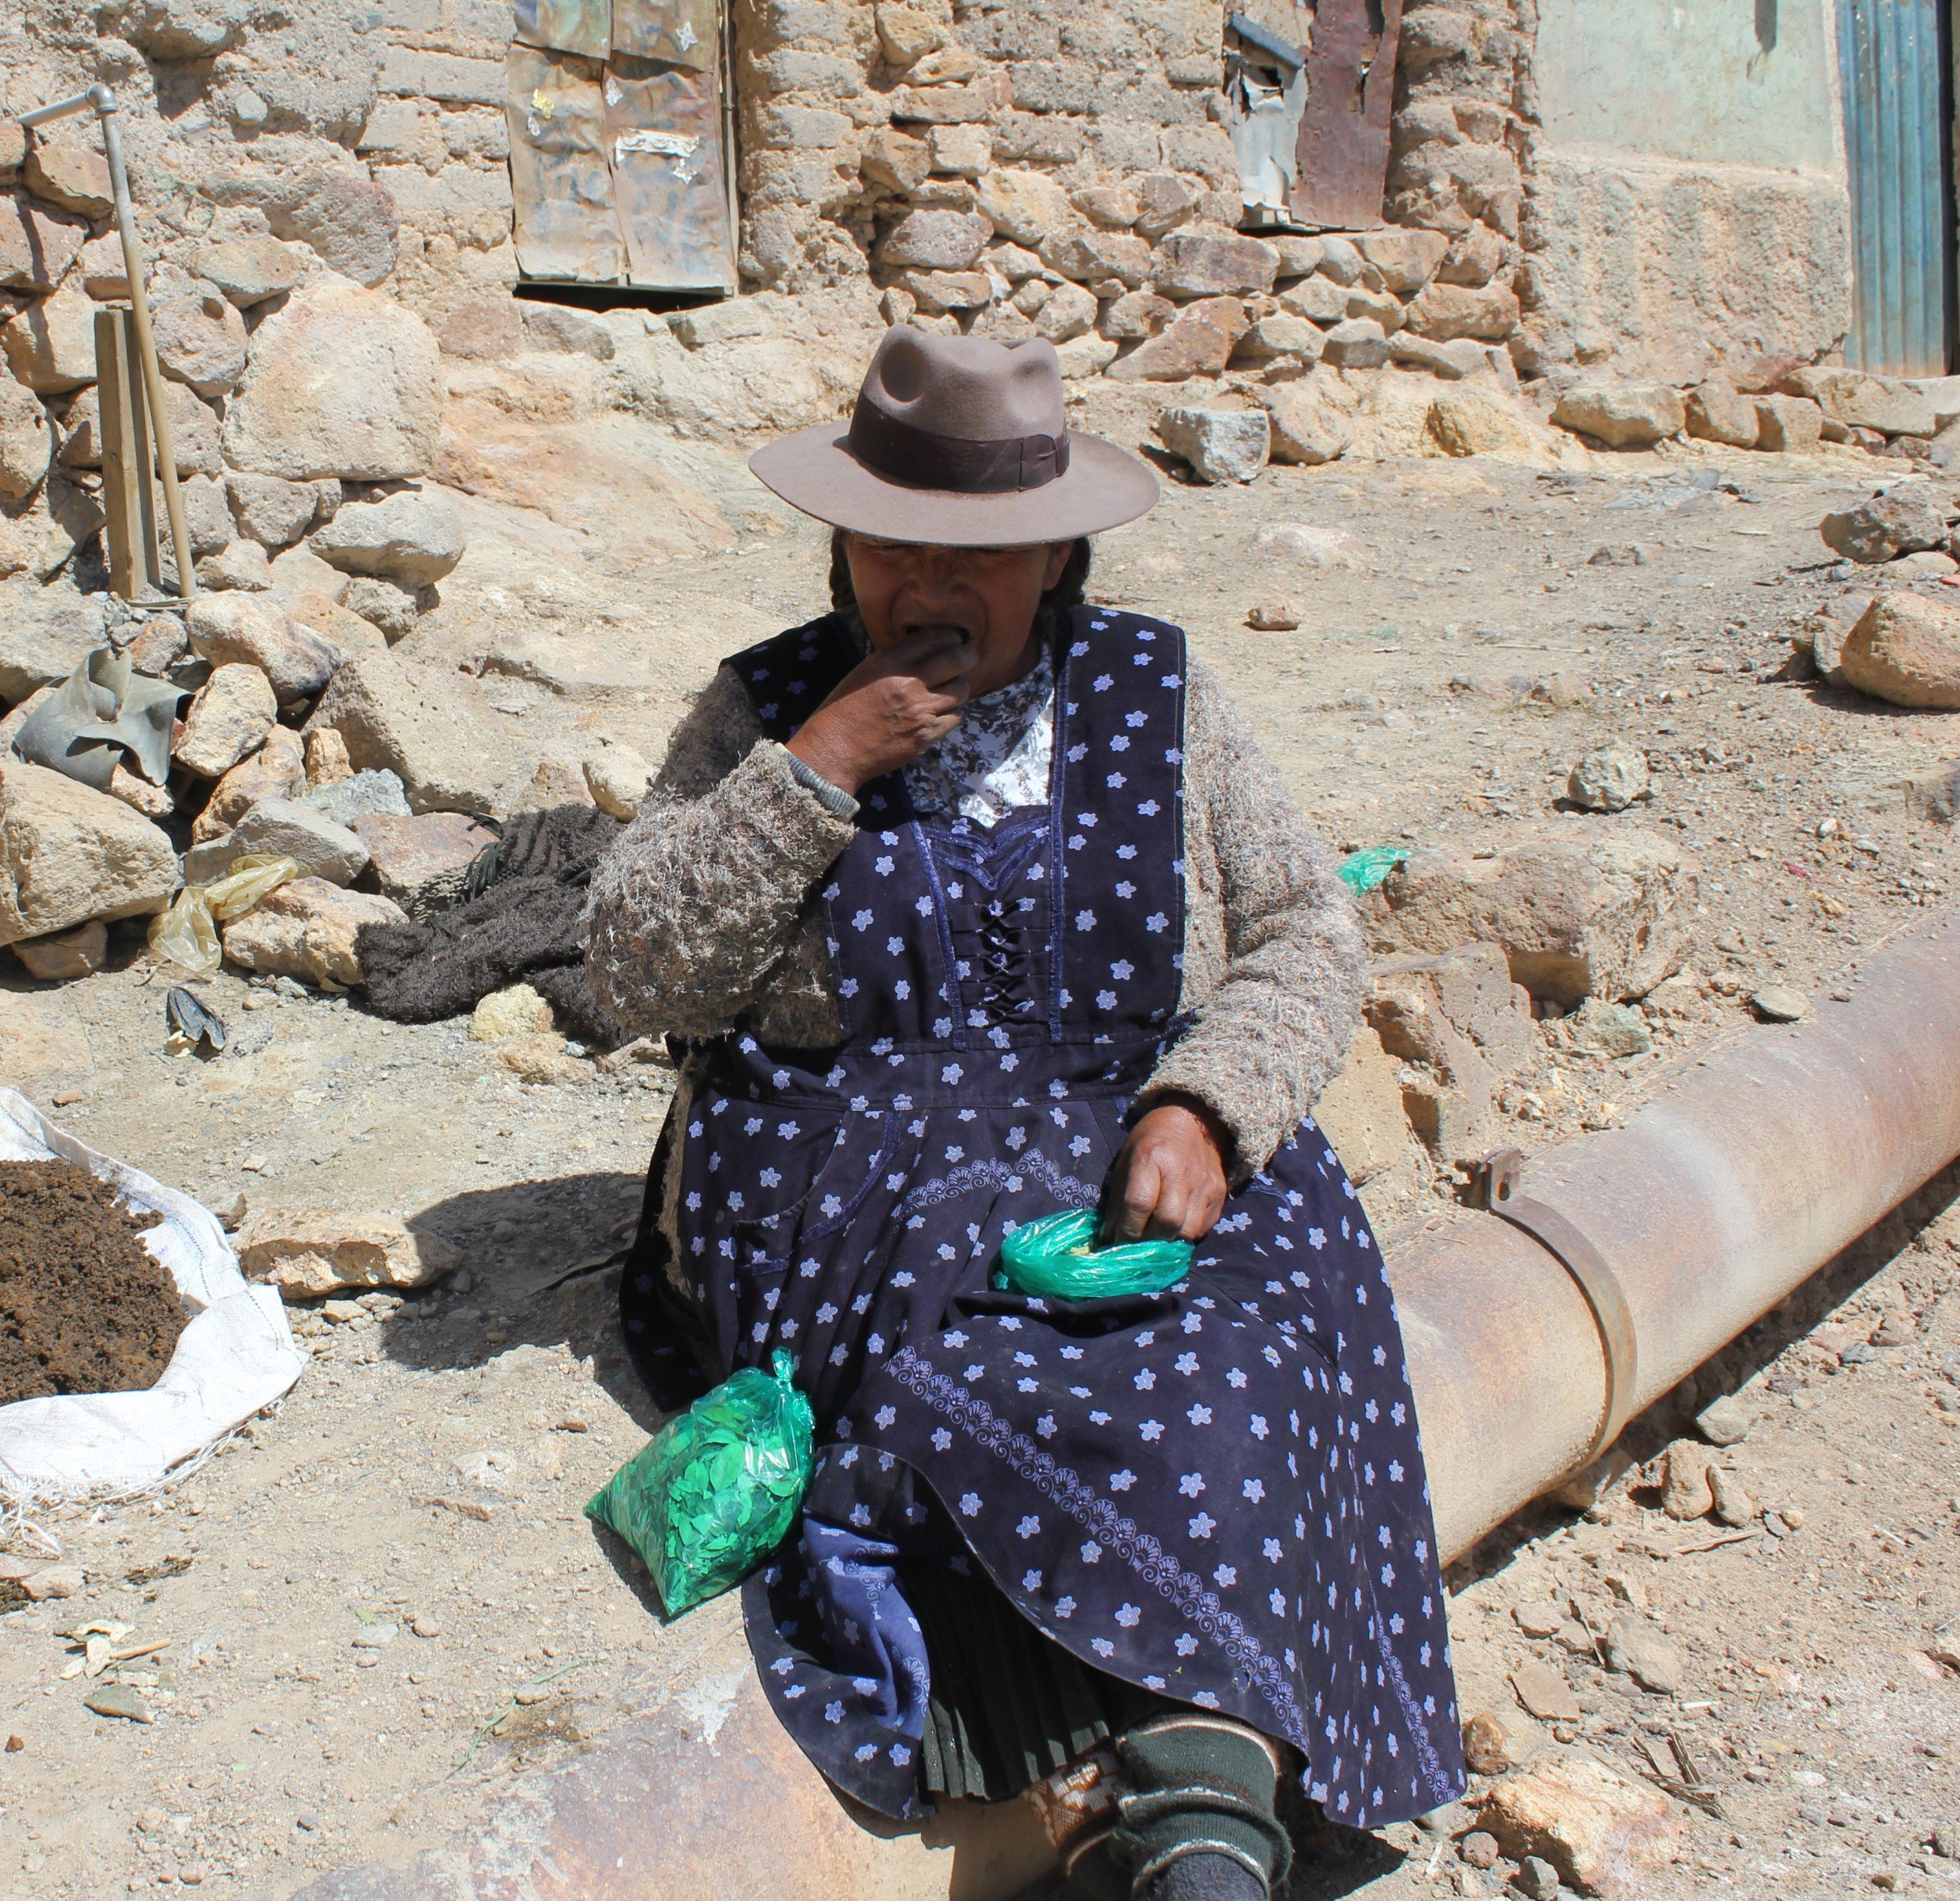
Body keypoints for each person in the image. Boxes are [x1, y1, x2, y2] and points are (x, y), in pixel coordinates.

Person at [583, 329, 1463, 1900]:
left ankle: (1195, 1813)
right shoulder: (770, 705)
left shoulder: (1156, 693)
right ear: (837, 540)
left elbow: (1304, 930)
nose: (930, 580)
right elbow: (638, 967)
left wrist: (1209, 1101)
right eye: (892, 541)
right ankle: (1178, 1810)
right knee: (957, 1353)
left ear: (1053, 550)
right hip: (845, 1167)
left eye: (980, 552)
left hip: (1133, 1125)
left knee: (1237, 1335)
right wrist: (820, 763)